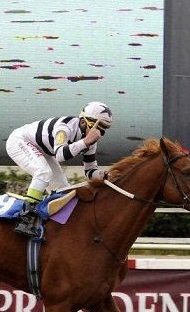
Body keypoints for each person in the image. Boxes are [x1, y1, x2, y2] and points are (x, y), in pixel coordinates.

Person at [6, 101, 112, 237]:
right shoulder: (64, 128)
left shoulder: (90, 142)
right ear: (84, 122)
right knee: (43, 172)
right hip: (20, 141)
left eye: (104, 129)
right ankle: (25, 219)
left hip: (42, 149)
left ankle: (50, 225)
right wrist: (85, 142)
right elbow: (60, 155)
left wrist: (106, 175)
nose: (99, 134)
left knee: (63, 189)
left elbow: (90, 172)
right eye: (98, 127)